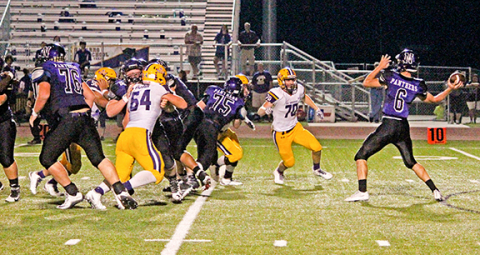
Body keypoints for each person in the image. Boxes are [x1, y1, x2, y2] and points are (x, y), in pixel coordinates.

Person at [344, 49, 464, 202]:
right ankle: (435, 190)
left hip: (389, 124)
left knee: (361, 156)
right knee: (410, 162)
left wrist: (380, 67)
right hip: (403, 127)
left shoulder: (390, 76)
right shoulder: (417, 84)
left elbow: (366, 82)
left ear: (401, 63)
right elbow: (434, 100)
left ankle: (362, 192)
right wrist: (449, 89)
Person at [28, 43, 137, 210]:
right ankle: (120, 191)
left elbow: (43, 94)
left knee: (47, 158)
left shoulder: (47, 68)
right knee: (98, 158)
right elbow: (90, 96)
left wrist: (34, 113)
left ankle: (72, 193)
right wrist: (81, 112)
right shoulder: (73, 67)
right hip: (85, 118)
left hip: (66, 119)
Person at [85, 60, 188, 209]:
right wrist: (168, 97)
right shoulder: (158, 87)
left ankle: (96, 193)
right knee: (157, 172)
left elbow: (125, 119)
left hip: (125, 137)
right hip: (141, 135)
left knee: (119, 175)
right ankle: (124, 190)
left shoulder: (133, 90)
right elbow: (183, 104)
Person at [257, 67, 332, 184]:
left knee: (317, 148)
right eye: (288, 80)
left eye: (293, 80)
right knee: (289, 162)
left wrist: (316, 108)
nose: (292, 83)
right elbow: (261, 110)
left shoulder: (299, 89)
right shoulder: (276, 93)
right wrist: (265, 110)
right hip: (281, 133)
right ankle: (279, 171)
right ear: (282, 81)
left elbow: (304, 97)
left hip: (295, 128)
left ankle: (317, 169)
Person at [194, 76, 255, 186]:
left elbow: (198, 107)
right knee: (235, 154)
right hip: (214, 132)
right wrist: (241, 114)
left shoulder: (215, 92)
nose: (247, 90)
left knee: (235, 146)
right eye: (245, 87)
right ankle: (214, 164)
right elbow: (236, 125)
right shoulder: (237, 102)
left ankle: (227, 178)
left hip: (220, 129)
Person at [0, 57, 21, 202]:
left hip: (3, 122)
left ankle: (15, 189)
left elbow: (1, 99)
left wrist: (7, 79)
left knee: (6, 157)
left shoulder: (5, 80)